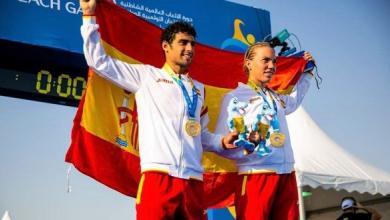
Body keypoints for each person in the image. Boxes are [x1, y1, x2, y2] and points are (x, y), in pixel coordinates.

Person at [79, 0, 238, 219]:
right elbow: (99, 61)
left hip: (193, 182)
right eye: (183, 43)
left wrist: (221, 142)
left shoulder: (198, 89)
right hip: (159, 177)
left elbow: (200, 136)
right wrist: (89, 16)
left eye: (193, 44)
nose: (190, 49)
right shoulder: (146, 77)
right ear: (166, 46)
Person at [215, 42, 314, 220]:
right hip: (256, 176)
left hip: (286, 173)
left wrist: (307, 74)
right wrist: (249, 146)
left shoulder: (275, 97)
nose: (271, 66)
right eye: (265, 60)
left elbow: (294, 100)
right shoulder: (235, 98)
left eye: (274, 61)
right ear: (249, 63)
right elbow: (225, 143)